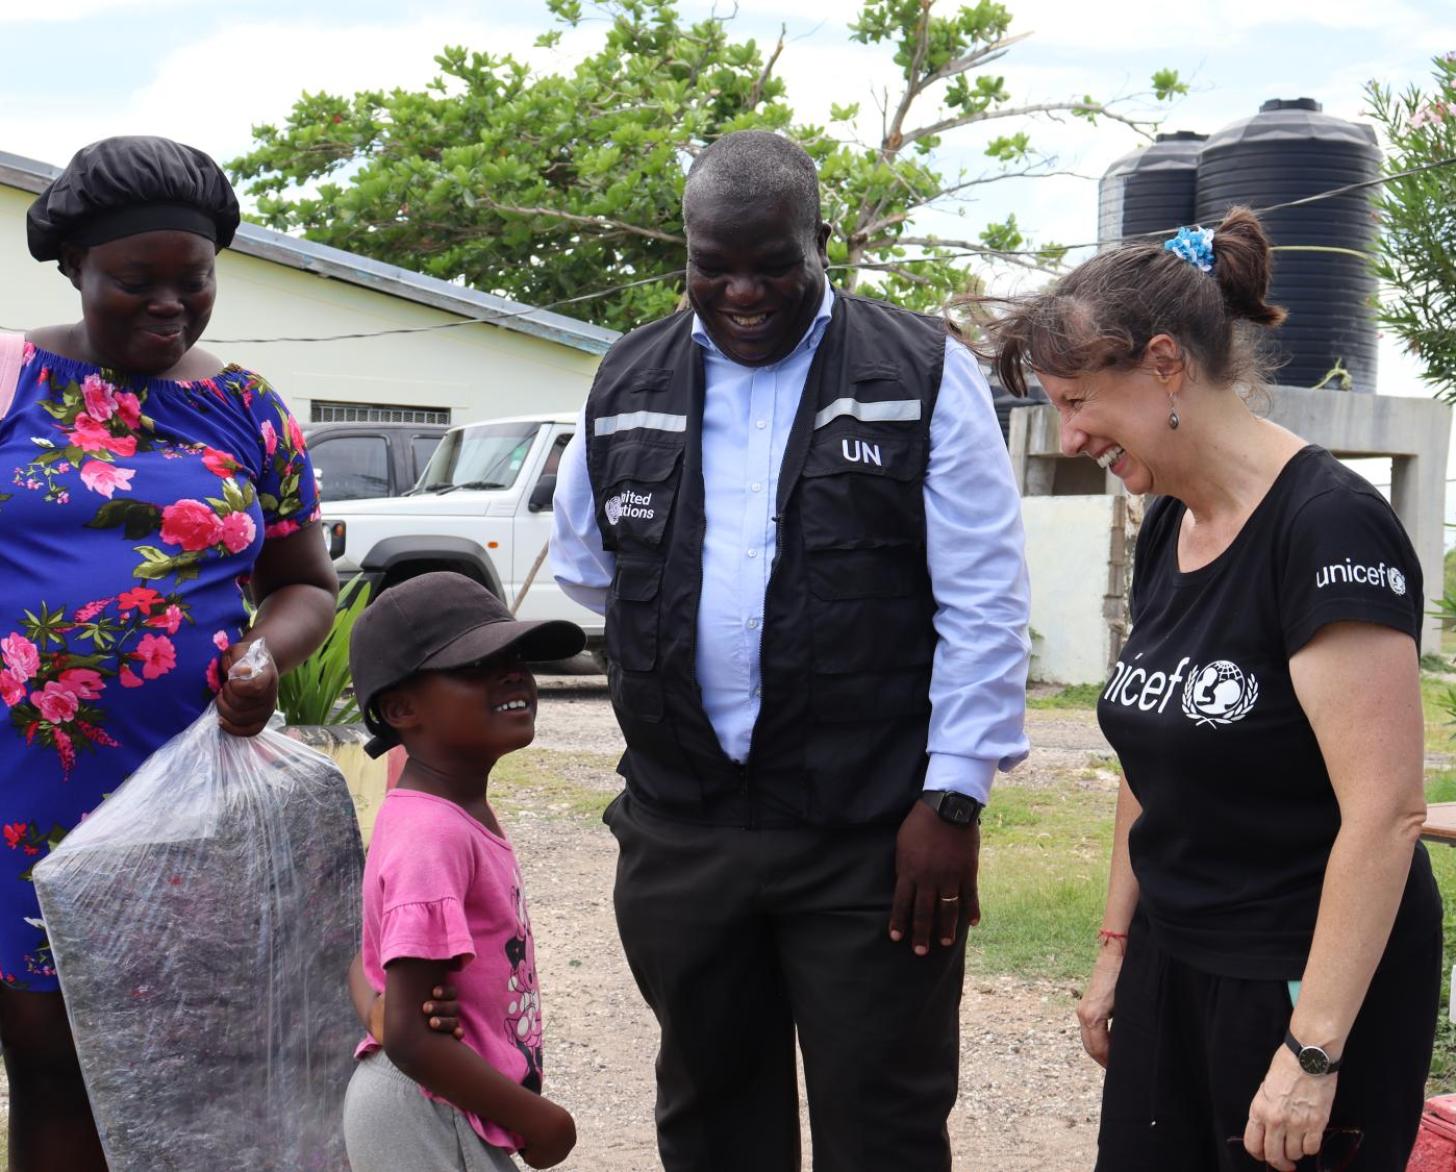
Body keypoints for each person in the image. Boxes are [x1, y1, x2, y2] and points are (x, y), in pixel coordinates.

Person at [551, 130, 1031, 1171]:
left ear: (820, 239)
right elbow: (591, 570)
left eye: (772, 262)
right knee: (712, 1116)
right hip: (684, 831)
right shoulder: (624, 377)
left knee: (885, 1124)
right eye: (712, 265)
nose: (743, 290)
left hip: (872, 835)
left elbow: (986, 600)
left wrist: (953, 800)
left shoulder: (921, 371)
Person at [975, 207, 1442, 1171]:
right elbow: (1156, 751)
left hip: (1297, 974)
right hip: (1174, 957)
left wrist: (1313, 1050)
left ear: (1165, 366)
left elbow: (1385, 813)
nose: (1068, 438)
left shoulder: (1328, 530)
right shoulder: (1169, 524)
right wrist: (1116, 948)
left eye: (1076, 400)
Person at [0, 135, 337, 1171]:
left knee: (195, 1066)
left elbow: (305, 585)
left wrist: (264, 657)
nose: (168, 307)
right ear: (74, 271)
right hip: (24, 796)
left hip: (192, 792)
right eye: (133, 283)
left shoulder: (246, 408)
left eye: (193, 283)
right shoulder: (10, 378)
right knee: (52, 1067)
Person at [342, 571, 584, 1172]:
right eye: (476, 666)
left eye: (515, 657)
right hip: (430, 1106)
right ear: (401, 708)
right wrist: (542, 1120)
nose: (512, 675)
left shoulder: (445, 813)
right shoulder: (434, 833)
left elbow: (363, 959)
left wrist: (380, 1004)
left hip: (443, 1100)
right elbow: (412, 1036)